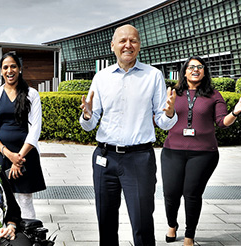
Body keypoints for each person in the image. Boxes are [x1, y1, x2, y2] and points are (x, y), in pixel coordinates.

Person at [80, 24, 177, 246]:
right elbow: (90, 123)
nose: (128, 45)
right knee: (105, 223)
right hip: (105, 157)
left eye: (133, 40)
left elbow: (163, 122)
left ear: (139, 45)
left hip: (139, 159)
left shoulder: (153, 76)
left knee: (142, 223)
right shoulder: (101, 77)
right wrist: (87, 116)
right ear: (112, 46)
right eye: (122, 40)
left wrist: (170, 114)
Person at [161, 56, 241, 246]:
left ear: (204, 72)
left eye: (199, 67)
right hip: (172, 150)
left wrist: (235, 112)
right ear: (184, 71)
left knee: (192, 193)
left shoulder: (214, 95)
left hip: (203, 153)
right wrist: (168, 112)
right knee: (171, 192)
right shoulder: (173, 93)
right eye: (191, 67)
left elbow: (222, 123)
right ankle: (172, 225)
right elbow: (163, 120)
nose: (195, 70)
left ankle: (189, 235)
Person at [0, 52, 46, 219]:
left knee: (25, 200)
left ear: (19, 69)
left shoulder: (32, 94)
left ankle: (28, 238)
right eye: (5, 67)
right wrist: (10, 156)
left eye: (13, 66)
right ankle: (3, 238)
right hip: (0, 154)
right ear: (1, 71)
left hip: (25, 155)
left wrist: (19, 158)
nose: (9, 70)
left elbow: (35, 131)